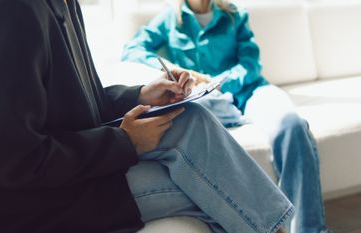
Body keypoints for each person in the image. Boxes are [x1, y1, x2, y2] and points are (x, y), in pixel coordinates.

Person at [0, 0, 294, 232]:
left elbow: (82, 105)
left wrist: (140, 94)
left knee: (191, 117)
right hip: (45, 202)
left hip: (81, 174)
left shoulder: (66, 4)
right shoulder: (16, 11)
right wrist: (125, 142)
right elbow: (16, 160)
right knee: (218, 192)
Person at [121, 0, 330, 232]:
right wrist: (172, 69)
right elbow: (132, 51)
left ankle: (309, 229)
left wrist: (218, 82)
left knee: (292, 125)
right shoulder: (169, 19)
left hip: (249, 91)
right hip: (208, 102)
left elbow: (251, 65)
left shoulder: (234, 15)